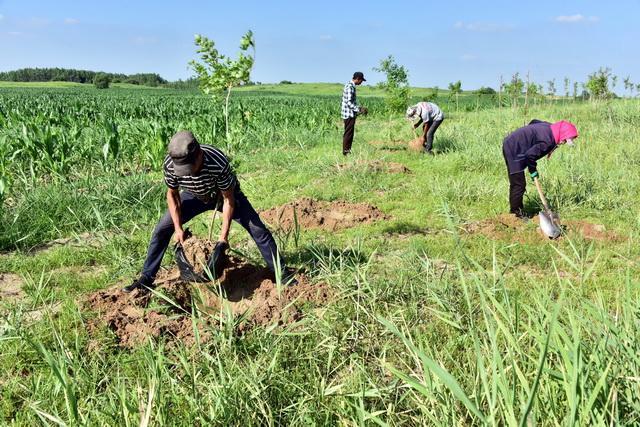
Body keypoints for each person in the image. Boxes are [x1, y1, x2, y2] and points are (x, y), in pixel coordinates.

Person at [123, 131, 296, 294]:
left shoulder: (217, 161)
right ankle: (146, 277)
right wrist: (178, 228)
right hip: (193, 195)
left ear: (199, 155)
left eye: (190, 166)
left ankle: (281, 273)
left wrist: (223, 239)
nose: (187, 172)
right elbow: (172, 194)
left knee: (258, 229)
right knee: (162, 229)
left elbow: (229, 200)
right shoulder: (171, 163)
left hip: (222, 195)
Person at [502, 120, 578, 218]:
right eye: (564, 140)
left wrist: (529, 136)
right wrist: (533, 171)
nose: (562, 143)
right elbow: (530, 156)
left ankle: (516, 212)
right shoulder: (548, 141)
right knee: (518, 184)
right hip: (513, 147)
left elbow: (534, 121)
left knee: (518, 183)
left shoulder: (550, 127)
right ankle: (515, 214)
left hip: (515, 142)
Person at [340, 71, 368, 155]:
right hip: (348, 114)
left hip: (350, 113)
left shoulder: (351, 85)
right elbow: (349, 102)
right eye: (361, 81)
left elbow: (351, 101)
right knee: (348, 134)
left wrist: (358, 108)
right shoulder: (350, 87)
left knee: (349, 133)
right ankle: (346, 152)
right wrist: (359, 109)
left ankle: (347, 151)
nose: (361, 82)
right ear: (357, 79)